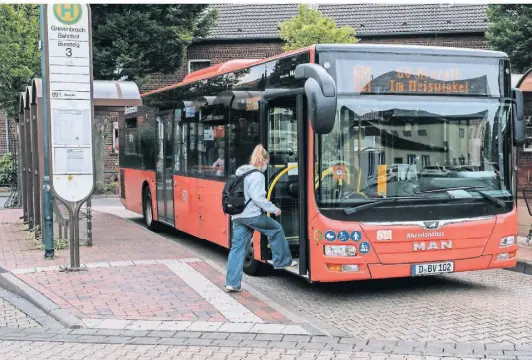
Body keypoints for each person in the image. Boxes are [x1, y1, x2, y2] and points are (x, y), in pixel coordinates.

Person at [225, 144, 297, 292]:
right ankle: (282, 261)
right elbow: (258, 198)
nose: (267, 165)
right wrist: (273, 209)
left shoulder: (241, 173)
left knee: (237, 249)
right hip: (252, 216)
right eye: (267, 162)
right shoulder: (257, 176)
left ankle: (232, 283)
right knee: (276, 229)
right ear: (263, 161)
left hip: (237, 216)